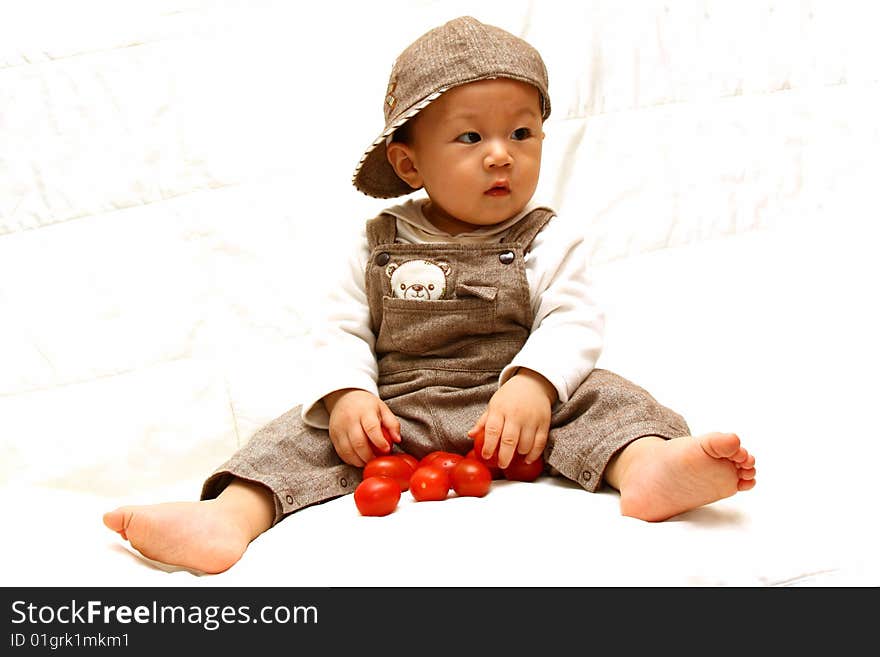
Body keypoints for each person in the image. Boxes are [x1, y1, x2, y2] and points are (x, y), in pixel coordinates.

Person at [103, 16, 756, 574]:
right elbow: (340, 329)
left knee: (605, 396)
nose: (501, 156)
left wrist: (533, 382)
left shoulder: (545, 237)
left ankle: (645, 467)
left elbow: (573, 317)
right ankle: (229, 515)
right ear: (410, 163)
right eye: (471, 137)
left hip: (514, 408)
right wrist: (349, 395)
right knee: (299, 431)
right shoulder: (375, 240)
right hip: (398, 406)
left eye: (521, 134)